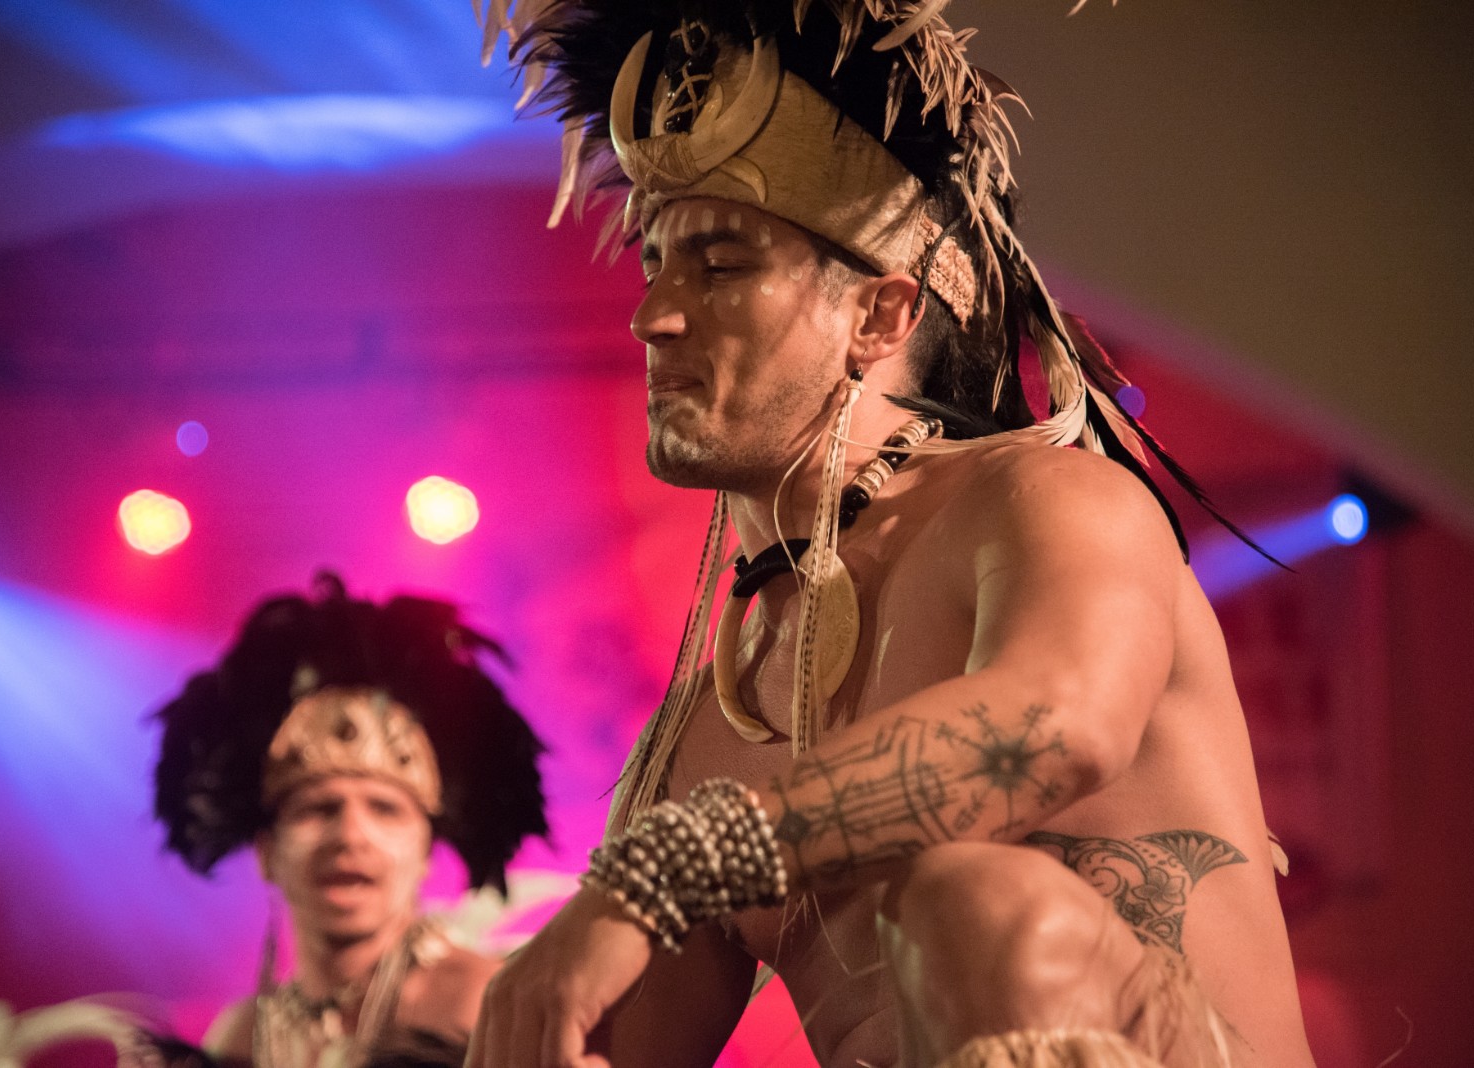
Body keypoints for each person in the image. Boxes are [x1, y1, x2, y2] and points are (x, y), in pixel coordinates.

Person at [465, 3, 1316, 1067]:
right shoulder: (696, 742)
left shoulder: (1050, 501)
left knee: (976, 901)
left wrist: (673, 866)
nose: (654, 316)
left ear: (879, 315)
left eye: (720, 266)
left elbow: (1057, 726)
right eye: (655, 264)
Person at [153, 573, 548, 1068]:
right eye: (318, 808)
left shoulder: (490, 1004)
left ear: (425, 852)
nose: (349, 835)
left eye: (385, 809)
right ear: (267, 853)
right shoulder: (239, 1037)